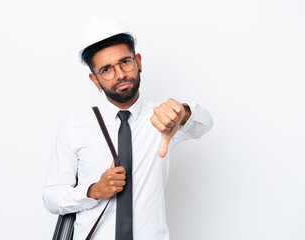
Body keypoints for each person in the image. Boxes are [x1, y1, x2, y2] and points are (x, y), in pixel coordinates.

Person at [42, 15, 213, 240]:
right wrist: (94, 191)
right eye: (107, 69)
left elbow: (204, 125)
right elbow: (51, 197)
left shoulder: (162, 117)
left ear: (138, 62)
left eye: (125, 62)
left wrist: (183, 112)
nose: (120, 74)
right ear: (95, 80)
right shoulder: (75, 126)